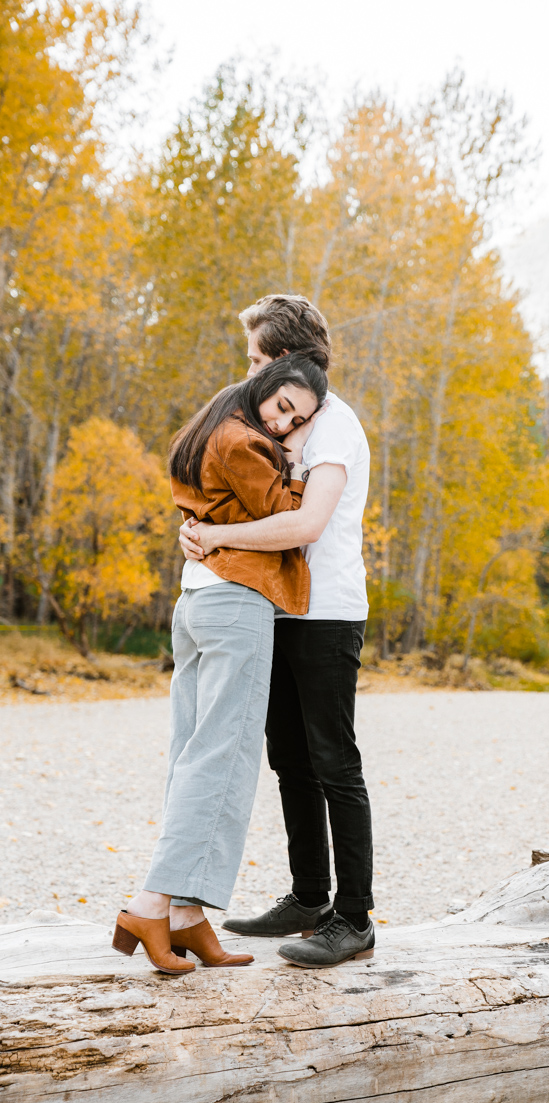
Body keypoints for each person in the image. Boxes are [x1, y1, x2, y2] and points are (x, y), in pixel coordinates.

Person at [112, 354, 327, 974]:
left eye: (299, 418)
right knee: (224, 757)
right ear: (261, 386)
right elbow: (288, 517)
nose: (286, 424)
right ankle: (152, 903)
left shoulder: (208, 428)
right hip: (237, 599)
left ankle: (186, 918)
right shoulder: (242, 441)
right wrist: (299, 457)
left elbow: (219, 513)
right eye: (283, 407)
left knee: (193, 752)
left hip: (200, 597)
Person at [179, 294, 375, 968]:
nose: (250, 368)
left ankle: (353, 918)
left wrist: (215, 537)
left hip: (328, 614)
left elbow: (304, 525)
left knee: (334, 762)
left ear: (287, 358)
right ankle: (308, 896)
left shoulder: (336, 427)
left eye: (258, 356)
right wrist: (200, 530)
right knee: (290, 759)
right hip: (281, 608)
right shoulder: (286, 424)